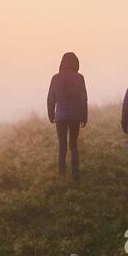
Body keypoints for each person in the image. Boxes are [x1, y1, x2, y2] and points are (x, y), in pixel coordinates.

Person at [47, 52, 88, 180]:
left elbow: (50, 99)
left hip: (60, 116)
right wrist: (84, 116)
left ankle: (62, 173)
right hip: (75, 116)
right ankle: (75, 173)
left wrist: (51, 114)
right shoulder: (79, 78)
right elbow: (83, 99)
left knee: (62, 145)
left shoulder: (55, 78)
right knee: (73, 145)